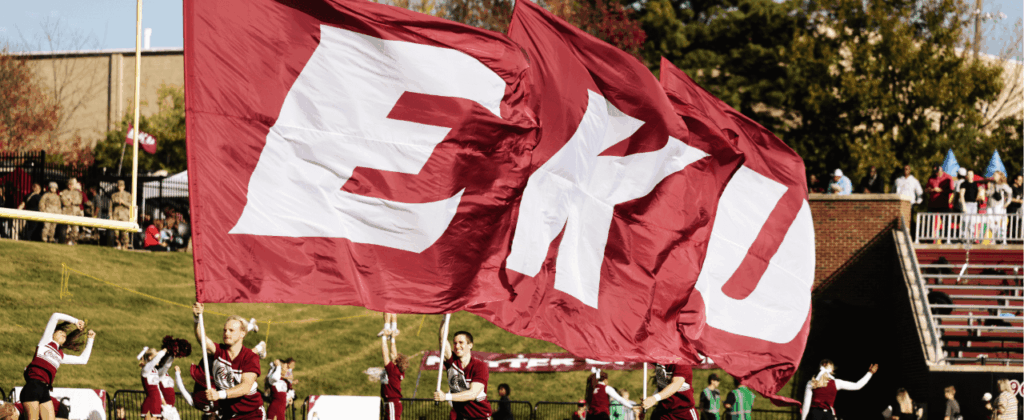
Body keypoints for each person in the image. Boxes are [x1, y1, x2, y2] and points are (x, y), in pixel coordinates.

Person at [191, 303, 265, 420]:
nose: (226, 333)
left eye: (231, 330)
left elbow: (245, 386)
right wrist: (197, 318)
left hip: (251, 413)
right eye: (225, 330)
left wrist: (219, 395)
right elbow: (202, 339)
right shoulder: (219, 351)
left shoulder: (250, 357)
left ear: (243, 333)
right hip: (228, 413)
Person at [21, 313, 96, 420]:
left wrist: (90, 339)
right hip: (32, 386)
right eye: (60, 332)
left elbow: (83, 360)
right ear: (53, 334)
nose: (63, 334)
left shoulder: (60, 356)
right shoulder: (45, 342)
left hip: (45, 390)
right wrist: (76, 321)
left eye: (65, 334)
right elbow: (55, 316)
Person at [433, 320, 491, 420]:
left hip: (479, 417)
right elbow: (442, 340)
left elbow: (472, 394)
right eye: (455, 343)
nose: (457, 346)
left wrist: (446, 397)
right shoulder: (452, 362)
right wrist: (444, 318)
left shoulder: (480, 366)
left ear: (470, 345)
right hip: (461, 416)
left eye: (461, 342)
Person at [800, 360, 877, 420]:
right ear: (832, 370)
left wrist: (803, 419)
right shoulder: (836, 383)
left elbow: (806, 405)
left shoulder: (812, 383)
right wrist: (870, 373)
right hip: (828, 416)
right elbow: (857, 385)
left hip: (814, 415)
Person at [380, 314, 408, 420]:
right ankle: (392, 323)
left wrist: (384, 338)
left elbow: (386, 354)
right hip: (392, 402)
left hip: (392, 403)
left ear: (396, 361)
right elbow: (393, 353)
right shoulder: (397, 371)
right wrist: (392, 339)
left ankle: (388, 324)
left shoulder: (392, 370)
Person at [138, 347, 169, 420]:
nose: (159, 359)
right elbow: (155, 360)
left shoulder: (155, 370)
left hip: (157, 402)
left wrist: (164, 403)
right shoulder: (146, 369)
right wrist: (164, 351)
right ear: (150, 357)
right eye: (156, 356)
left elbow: (157, 388)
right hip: (151, 402)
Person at [59, 178, 83, 246]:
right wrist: (70, 201)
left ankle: (73, 241)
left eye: (71, 184)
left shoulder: (77, 193)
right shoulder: (64, 192)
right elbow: (64, 202)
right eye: (69, 184)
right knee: (64, 229)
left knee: (75, 229)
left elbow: (79, 201)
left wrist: (71, 201)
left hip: (75, 213)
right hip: (66, 212)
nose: (70, 186)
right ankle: (64, 240)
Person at [110, 180, 132, 249]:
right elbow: (110, 206)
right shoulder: (114, 195)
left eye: (122, 186)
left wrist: (123, 202)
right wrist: (110, 215)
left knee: (124, 231)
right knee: (116, 232)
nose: (120, 187)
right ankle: (118, 244)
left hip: (124, 214)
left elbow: (131, 205)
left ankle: (125, 245)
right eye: (119, 186)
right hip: (116, 214)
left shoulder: (128, 195)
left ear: (124, 187)